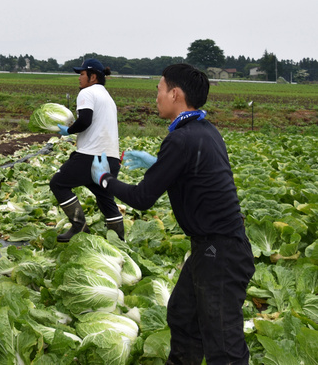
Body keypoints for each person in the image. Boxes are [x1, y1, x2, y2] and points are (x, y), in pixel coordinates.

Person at [91, 63, 255, 364]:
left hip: (221, 252)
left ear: (175, 93)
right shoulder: (205, 130)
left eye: (159, 90)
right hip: (214, 248)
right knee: (182, 315)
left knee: (224, 345)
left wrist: (105, 180)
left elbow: (142, 198)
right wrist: (155, 162)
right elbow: (196, 171)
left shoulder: (181, 138)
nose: (157, 97)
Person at [49, 58, 124, 243]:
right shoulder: (107, 96)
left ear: (93, 76)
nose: (79, 78)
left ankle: (79, 227)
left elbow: (85, 120)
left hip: (90, 156)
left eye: (82, 74)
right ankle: (119, 240)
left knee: (58, 184)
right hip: (111, 157)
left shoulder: (87, 93)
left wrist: (69, 130)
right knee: (105, 197)